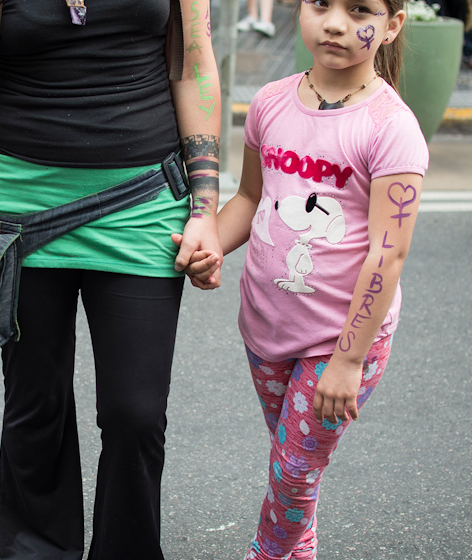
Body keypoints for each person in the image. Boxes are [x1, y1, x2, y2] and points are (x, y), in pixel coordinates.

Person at [0, 0, 222, 558]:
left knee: (137, 414)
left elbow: (193, 66)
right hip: (16, 206)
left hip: (143, 203)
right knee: (37, 405)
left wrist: (205, 208)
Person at [188, 0, 429, 556]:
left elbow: (387, 255)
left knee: (295, 469)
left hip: (340, 342)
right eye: (321, 4)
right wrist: (209, 246)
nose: (336, 22)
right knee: (293, 461)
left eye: (360, 9)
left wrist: (348, 359)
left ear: (391, 26)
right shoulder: (271, 102)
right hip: (266, 327)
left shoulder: (391, 128)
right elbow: (251, 197)